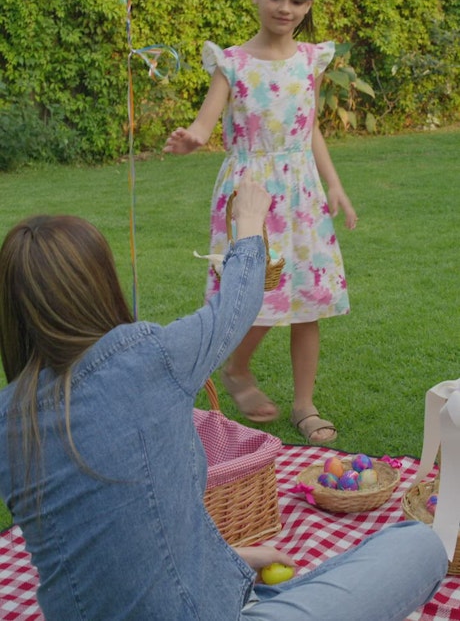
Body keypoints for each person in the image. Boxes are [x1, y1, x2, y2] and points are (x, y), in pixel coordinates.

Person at [0, 175, 448, 621]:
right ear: (98, 286)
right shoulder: (148, 357)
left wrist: (231, 559)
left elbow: (119, 539)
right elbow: (236, 304)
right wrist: (250, 221)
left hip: (200, 593)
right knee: (419, 545)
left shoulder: (8, 420)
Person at [164, 0, 359, 443]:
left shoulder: (311, 61)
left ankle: (304, 403)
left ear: (309, 4)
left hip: (303, 192)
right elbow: (206, 125)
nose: (286, 7)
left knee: (307, 301)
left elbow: (310, 127)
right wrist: (190, 140)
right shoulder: (232, 63)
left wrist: (335, 183)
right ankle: (237, 367)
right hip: (251, 193)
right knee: (257, 293)